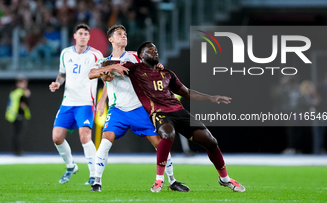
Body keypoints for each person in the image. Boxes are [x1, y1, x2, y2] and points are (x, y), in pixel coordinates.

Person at [98, 41, 246, 193]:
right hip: (159, 113)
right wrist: (113, 66)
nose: (155, 51)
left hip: (178, 111)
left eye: (155, 49)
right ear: (141, 55)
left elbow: (187, 92)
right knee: (168, 134)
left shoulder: (167, 73)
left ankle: (225, 179)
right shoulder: (135, 69)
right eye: (150, 49)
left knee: (211, 141)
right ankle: (159, 180)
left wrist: (211, 98)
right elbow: (105, 63)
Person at [88, 25, 189, 192]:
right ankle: (96, 182)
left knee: (160, 143)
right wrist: (111, 70)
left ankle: (172, 181)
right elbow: (92, 74)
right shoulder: (103, 61)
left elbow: (154, 65)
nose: (124, 36)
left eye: (125, 33)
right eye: (119, 34)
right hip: (117, 110)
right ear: (111, 39)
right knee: (105, 140)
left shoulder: (135, 56)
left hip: (139, 109)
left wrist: (158, 66)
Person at [49, 23, 103, 184]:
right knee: (57, 138)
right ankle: (71, 166)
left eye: (86, 34)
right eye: (80, 33)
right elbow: (62, 74)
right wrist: (58, 83)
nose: (83, 36)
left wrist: (101, 102)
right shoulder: (66, 53)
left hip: (86, 103)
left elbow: (106, 78)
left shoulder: (95, 55)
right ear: (75, 36)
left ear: (89, 37)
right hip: (68, 102)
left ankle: (94, 175)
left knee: (85, 137)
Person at [5, 75, 31, 156]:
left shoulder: (15, 92)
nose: (24, 84)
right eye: (22, 83)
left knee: (18, 133)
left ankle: (17, 150)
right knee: (18, 134)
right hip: (18, 115)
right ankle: (17, 151)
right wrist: (26, 95)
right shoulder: (19, 92)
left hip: (16, 115)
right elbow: (23, 103)